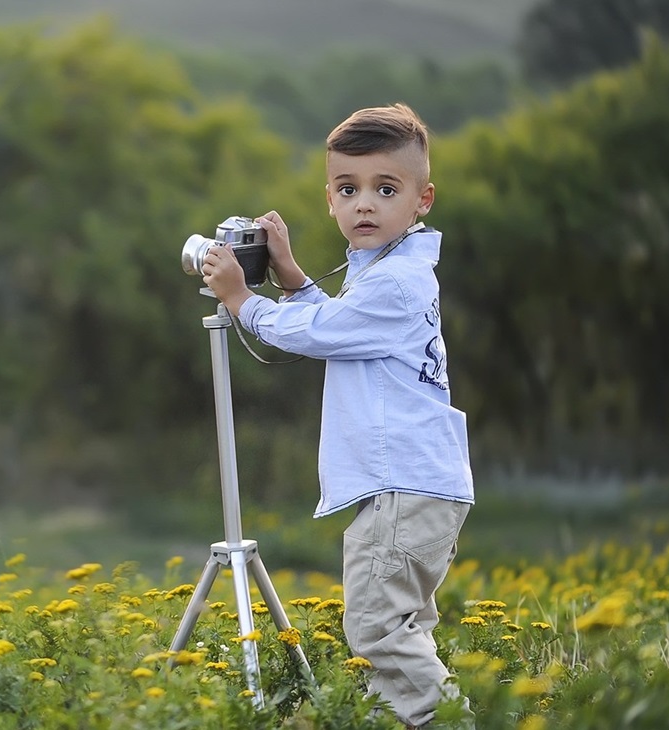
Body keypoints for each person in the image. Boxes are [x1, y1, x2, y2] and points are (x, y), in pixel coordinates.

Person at [200, 103, 474, 728]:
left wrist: (242, 299)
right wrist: (293, 277)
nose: (365, 205)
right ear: (329, 199)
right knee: (401, 629)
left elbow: (320, 334)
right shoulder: (390, 273)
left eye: (386, 189)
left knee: (378, 629)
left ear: (422, 199)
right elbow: (341, 327)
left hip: (402, 485)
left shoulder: (394, 284)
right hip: (417, 482)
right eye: (348, 190)